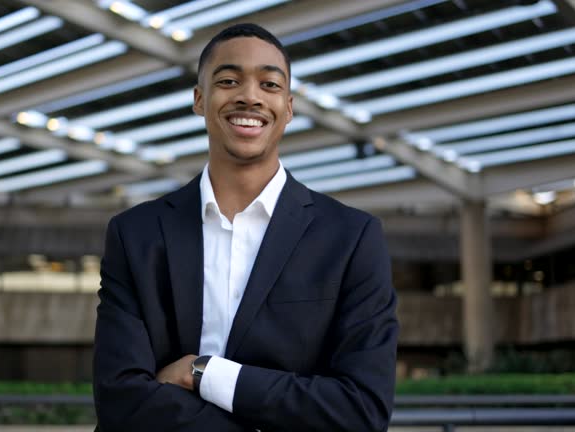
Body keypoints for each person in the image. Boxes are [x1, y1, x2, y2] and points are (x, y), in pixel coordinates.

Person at [93, 23, 398, 431]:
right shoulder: (135, 235)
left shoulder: (351, 238)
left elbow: (362, 409)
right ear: (200, 100)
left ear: (288, 108)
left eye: (269, 84)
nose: (249, 96)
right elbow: (120, 398)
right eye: (229, 80)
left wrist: (204, 373)